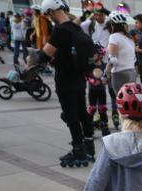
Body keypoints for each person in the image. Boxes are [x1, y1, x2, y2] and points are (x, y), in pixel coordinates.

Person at [37, 0, 95, 167]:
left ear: (51, 12)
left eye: (48, 14)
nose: (49, 18)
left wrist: (31, 59)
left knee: (71, 115)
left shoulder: (60, 30)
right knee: (82, 112)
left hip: (65, 79)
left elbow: (45, 56)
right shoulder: (76, 27)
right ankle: (89, 147)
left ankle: (78, 151)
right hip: (79, 78)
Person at [107, 11, 136, 93]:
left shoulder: (114, 37)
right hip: (132, 72)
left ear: (112, 24)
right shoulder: (130, 38)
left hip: (119, 73)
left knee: (120, 99)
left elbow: (113, 60)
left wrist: (106, 73)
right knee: (129, 99)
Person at [87, 45, 110, 136]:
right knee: (92, 109)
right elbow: (86, 75)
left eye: (95, 54)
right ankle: (88, 128)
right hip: (92, 90)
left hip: (101, 90)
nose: (93, 56)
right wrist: (92, 81)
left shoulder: (104, 65)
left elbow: (107, 76)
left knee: (102, 108)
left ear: (100, 55)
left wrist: (104, 80)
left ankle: (105, 127)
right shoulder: (90, 64)